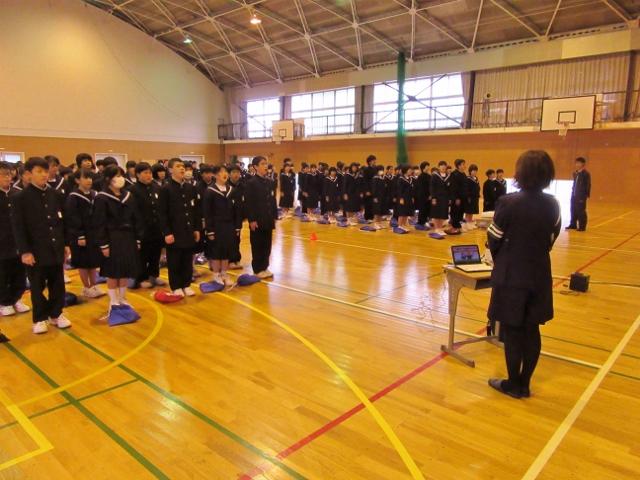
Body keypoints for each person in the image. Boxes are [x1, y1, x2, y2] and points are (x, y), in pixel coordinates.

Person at [487, 150, 561, 399]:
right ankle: (525, 383)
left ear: (520, 173)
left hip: (512, 275)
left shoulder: (508, 202)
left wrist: (502, 259)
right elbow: (551, 238)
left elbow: (494, 238)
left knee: (512, 331)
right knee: (532, 330)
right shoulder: (553, 204)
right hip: (539, 273)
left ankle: (512, 383)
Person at [11, 157, 71, 334]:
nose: (44, 175)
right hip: (35, 250)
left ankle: (56, 314)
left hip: (55, 247)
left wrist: (66, 244)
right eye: (39, 171)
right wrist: (25, 251)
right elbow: (18, 227)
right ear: (29, 174)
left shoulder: (56, 195)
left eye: (45, 171)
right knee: (37, 286)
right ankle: (39, 318)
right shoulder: (20, 198)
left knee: (57, 284)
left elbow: (63, 222)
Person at [93, 166, 143, 310]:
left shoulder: (128, 196)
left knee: (125, 270)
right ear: (108, 178)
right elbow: (99, 223)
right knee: (113, 271)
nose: (120, 178)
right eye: (116, 175)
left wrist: (138, 238)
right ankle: (114, 301)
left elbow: (136, 218)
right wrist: (104, 245)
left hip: (128, 237)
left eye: (121, 175)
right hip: (112, 238)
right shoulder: (101, 198)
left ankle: (122, 298)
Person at [158, 158, 201, 297]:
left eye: (183, 166)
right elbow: (162, 213)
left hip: (188, 230)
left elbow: (195, 210)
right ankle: (176, 286)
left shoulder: (190, 188)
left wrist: (196, 228)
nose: (182, 168)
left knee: (187, 259)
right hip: (174, 231)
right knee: (175, 260)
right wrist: (167, 232)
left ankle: (186, 284)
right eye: (178, 166)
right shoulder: (165, 189)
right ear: (170, 170)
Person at [65, 169, 105, 298]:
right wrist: (80, 235)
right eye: (85, 177)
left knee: (93, 261)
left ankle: (93, 285)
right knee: (83, 262)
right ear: (77, 180)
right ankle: (86, 287)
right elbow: (72, 217)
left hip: (93, 233)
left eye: (90, 177)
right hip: (80, 235)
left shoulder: (95, 194)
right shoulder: (73, 197)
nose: (89, 180)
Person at [203, 166, 242, 286]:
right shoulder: (210, 191)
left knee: (226, 251)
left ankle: (224, 273)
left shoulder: (231, 190)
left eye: (226, 172)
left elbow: (237, 210)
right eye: (221, 172)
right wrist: (210, 230)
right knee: (216, 252)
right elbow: (207, 213)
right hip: (216, 226)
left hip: (229, 226)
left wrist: (237, 226)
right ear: (215, 175)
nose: (224, 174)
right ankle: (216, 275)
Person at [0, 161, 29, 317]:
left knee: (19, 272)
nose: (7, 178)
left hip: (18, 241)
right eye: (3, 174)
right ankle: (4, 301)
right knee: (3, 273)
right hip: (2, 242)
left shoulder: (17, 194)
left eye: (9, 174)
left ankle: (17, 298)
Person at [130, 162, 166, 289]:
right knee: (142, 255)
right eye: (145, 173)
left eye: (150, 173)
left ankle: (154, 275)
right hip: (142, 229)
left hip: (156, 228)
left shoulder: (156, 187)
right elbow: (133, 212)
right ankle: (141, 278)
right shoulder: (133, 190)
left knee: (155, 254)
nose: (148, 175)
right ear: (138, 174)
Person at [244, 156, 277, 279]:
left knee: (267, 245)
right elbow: (249, 203)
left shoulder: (270, 182)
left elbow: (272, 200)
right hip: (257, 220)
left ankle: (265, 267)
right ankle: (258, 269)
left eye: (266, 163)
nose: (265, 166)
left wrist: (274, 215)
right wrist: (251, 219)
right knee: (258, 245)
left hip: (268, 219)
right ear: (255, 167)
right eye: (262, 164)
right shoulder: (251, 183)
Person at [227, 165, 245, 269]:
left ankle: (236, 259)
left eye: (238, 172)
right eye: (233, 172)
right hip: (228, 218)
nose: (236, 174)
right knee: (230, 239)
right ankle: (230, 260)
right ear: (229, 174)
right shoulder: (226, 186)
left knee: (237, 239)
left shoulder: (242, 186)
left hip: (238, 217)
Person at [566, 157, 591, 231]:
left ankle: (582, 226)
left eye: (579, 163)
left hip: (581, 196)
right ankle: (573, 224)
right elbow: (575, 184)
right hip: (574, 195)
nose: (577, 164)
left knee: (581, 211)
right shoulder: (575, 173)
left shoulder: (586, 174)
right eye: (576, 163)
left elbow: (588, 185)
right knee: (573, 209)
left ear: (583, 164)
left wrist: (585, 195)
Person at [430, 161, 451, 237]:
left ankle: (440, 228)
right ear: (439, 167)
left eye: (444, 165)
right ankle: (436, 228)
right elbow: (432, 187)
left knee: (443, 214)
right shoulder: (435, 176)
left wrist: (450, 198)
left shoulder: (448, 176)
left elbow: (449, 188)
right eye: (441, 165)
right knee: (436, 214)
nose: (443, 167)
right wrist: (433, 197)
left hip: (445, 198)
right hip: (437, 198)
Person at [446, 158, 467, 235]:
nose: (464, 166)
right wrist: (456, 198)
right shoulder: (454, 174)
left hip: (463, 197)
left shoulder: (463, 174)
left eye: (464, 164)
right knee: (455, 212)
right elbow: (453, 188)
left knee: (460, 212)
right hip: (456, 198)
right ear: (458, 166)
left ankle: (458, 227)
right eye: (463, 164)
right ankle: (454, 227)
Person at [394, 164, 414, 233]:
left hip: (409, 198)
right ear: (405, 170)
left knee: (407, 212)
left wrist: (412, 197)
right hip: (402, 198)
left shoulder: (410, 179)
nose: (411, 171)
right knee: (402, 212)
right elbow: (399, 190)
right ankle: (400, 225)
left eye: (411, 170)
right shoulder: (401, 179)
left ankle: (404, 225)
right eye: (409, 170)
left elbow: (411, 189)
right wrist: (401, 198)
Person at [463, 164, 480, 231]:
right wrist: (468, 197)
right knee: (468, 211)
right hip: (469, 197)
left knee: (472, 210)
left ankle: (470, 223)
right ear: (470, 171)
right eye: (473, 171)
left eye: (475, 171)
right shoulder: (467, 179)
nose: (474, 172)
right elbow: (466, 189)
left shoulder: (476, 178)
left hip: (475, 197)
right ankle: (467, 223)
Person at [414, 161, 431, 228]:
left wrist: (430, 195)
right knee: (422, 210)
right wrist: (426, 196)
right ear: (423, 167)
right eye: (427, 166)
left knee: (427, 210)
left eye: (428, 166)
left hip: (429, 196)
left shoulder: (429, 176)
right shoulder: (420, 177)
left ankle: (425, 221)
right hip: (422, 197)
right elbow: (421, 188)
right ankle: (420, 223)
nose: (428, 167)